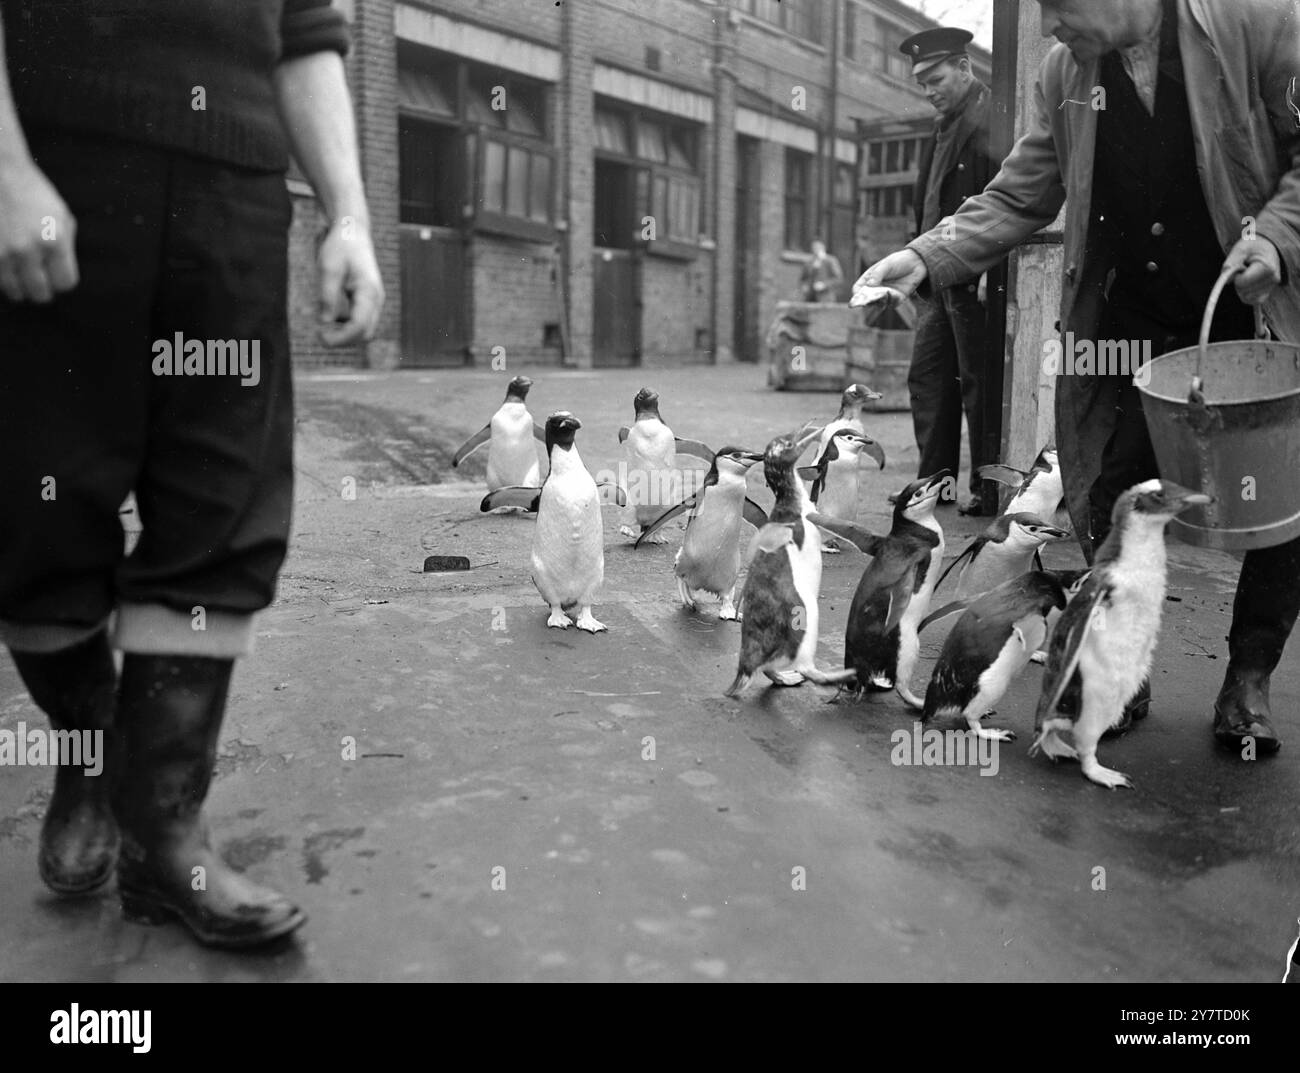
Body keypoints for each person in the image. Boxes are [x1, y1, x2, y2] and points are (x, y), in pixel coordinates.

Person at [0, 0, 384, 948]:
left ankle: (166, 832)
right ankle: (91, 751)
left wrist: (348, 214)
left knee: (224, 505)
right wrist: (4, 169)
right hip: (53, 160)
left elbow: (307, 34)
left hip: (237, 195)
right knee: (30, 505)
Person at [857, 0, 1300, 749]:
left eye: (1060, 6)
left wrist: (1280, 238)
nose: (1051, 25)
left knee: (1274, 501)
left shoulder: (1258, 25)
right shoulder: (1066, 73)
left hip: (1246, 308)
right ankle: (1118, 672)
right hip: (1123, 328)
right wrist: (929, 254)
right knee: (1111, 491)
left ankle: (1248, 678)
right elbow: (1021, 190)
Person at [900, 26, 1000, 516]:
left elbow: (1005, 199)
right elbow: (928, 201)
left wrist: (989, 267)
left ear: (965, 68)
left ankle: (986, 487)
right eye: (921, 83)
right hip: (937, 276)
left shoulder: (991, 118)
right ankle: (934, 485)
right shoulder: (940, 125)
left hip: (972, 274)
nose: (929, 90)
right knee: (928, 379)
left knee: (977, 381)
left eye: (936, 78)